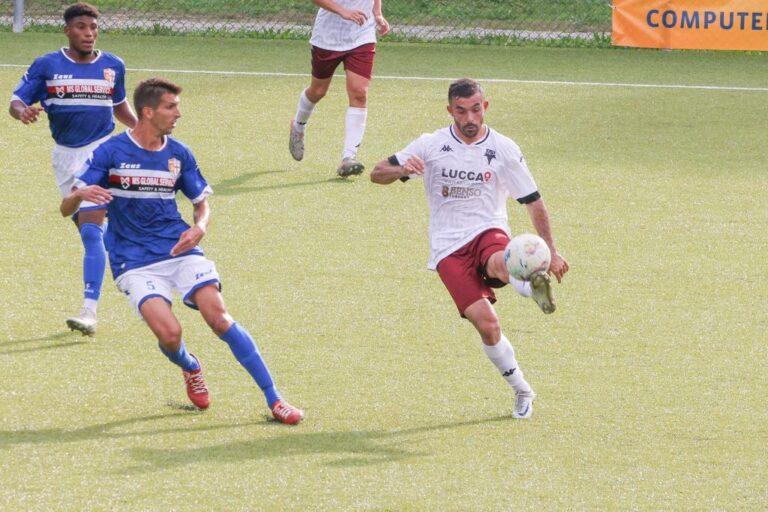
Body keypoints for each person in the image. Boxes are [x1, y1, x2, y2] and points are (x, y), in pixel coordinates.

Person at [60, 78, 304, 425]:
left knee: (218, 316)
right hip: (133, 261)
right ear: (148, 112)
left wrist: (200, 227)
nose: (178, 113)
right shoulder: (111, 153)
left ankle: (275, 399)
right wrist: (79, 196)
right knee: (170, 334)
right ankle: (190, 366)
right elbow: (66, 208)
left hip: (179, 249)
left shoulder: (179, 154)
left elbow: (200, 202)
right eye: (170, 107)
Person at [370, 78, 569, 419]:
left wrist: (551, 251)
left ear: (485, 107)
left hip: (487, 230)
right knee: (488, 327)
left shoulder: (504, 149)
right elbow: (376, 173)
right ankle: (522, 389)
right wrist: (403, 169)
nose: (470, 118)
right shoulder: (430, 144)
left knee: (500, 261)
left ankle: (531, 280)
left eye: (476, 109)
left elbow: (533, 202)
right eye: (461, 111)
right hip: (447, 248)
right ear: (450, 111)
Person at [9, 3, 137, 336]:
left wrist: (142, 129)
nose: (89, 33)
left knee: (92, 231)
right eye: (81, 27)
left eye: (93, 27)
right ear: (67, 30)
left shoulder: (112, 66)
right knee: (94, 234)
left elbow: (118, 104)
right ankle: (133, 263)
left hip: (102, 152)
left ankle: (88, 311)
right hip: (66, 158)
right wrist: (22, 112)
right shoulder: (48, 65)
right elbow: (16, 101)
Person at [288, 0, 390, 177]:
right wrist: (343, 11)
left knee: (359, 93)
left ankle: (348, 158)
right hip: (328, 36)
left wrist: (377, 13)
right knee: (318, 91)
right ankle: (298, 125)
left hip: (362, 34)